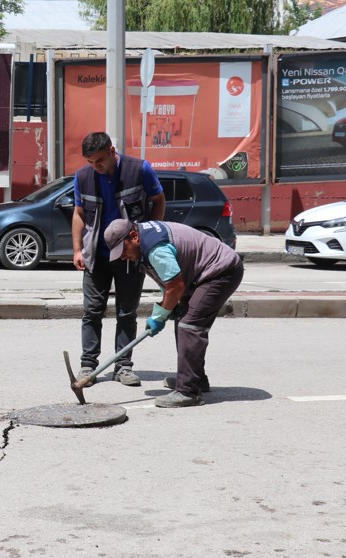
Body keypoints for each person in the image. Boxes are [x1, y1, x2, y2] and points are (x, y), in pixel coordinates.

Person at [104, 218, 244, 408]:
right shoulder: (145, 241)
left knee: (190, 325)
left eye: (123, 250)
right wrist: (163, 309)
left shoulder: (155, 248)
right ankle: (194, 378)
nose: (122, 257)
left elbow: (175, 287)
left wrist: (159, 316)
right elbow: (168, 282)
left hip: (221, 271)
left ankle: (189, 391)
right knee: (183, 319)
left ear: (134, 236)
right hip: (202, 273)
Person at [71, 131, 166, 387]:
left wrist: (150, 236)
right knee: (92, 312)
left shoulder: (140, 169)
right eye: (90, 162)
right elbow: (79, 213)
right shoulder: (82, 177)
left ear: (113, 152)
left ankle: (123, 366)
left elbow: (158, 199)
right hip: (97, 256)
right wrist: (78, 249)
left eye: (99, 160)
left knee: (126, 312)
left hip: (129, 254)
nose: (95, 166)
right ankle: (88, 366)